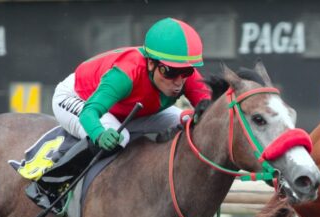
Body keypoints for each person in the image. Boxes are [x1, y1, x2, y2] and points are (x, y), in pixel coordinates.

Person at [51, 17, 212, 161]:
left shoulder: (185, 76)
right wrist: (99, 134)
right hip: (79, 98)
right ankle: (57, 179)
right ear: (151, 63)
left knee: (188, 121)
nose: (179, 82)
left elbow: (211, 111)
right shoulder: (125, 74)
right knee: (119, 139)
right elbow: (88, 112)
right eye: (170, 71)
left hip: (125, 110)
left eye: (186, 71)